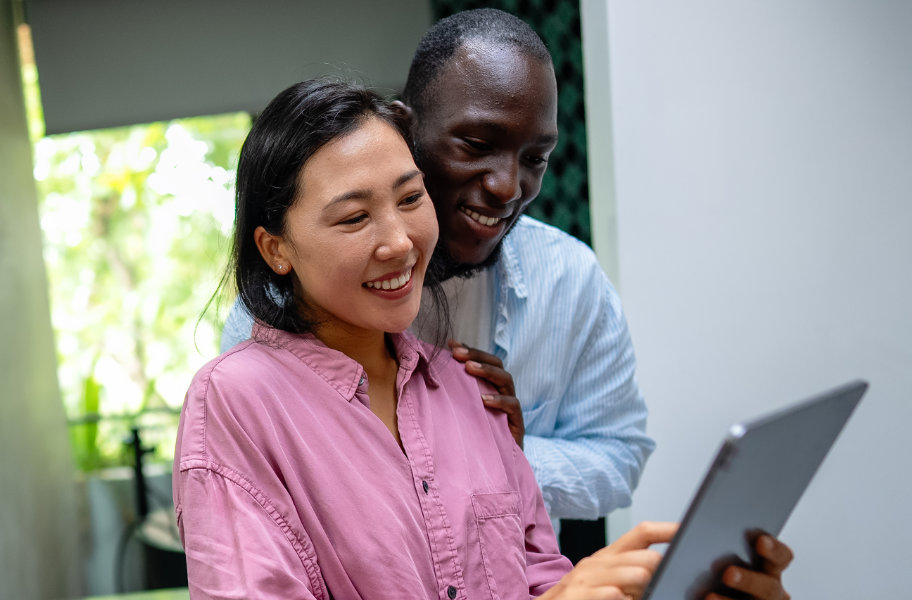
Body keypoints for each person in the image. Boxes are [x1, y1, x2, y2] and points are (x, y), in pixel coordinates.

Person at [175, 78, 793, 600]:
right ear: (275, 248)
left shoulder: (471, 391)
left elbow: (541, 581)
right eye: (355, 217)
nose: (400, 241)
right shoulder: (235, 401)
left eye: (410, 198)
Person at [222, 8, 651, 545]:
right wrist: (468, 457)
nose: (507, 186)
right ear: (406, 129)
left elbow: (621, 455)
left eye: (536, 158)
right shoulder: (279, 311)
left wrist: (514, 455)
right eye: (476, 145)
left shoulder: (570, 278)